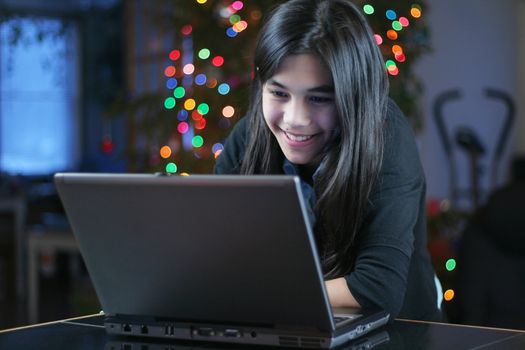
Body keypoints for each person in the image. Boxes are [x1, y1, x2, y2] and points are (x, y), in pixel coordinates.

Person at [214, 0, 443, 322]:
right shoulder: (248, 136)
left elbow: (378, 289)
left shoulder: (386, 137)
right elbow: (218, 254)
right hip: (291, 325)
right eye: (278, 93)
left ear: (354, 94)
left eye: (319, 98)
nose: (295, 119)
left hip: (400, 333)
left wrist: (260, 294)